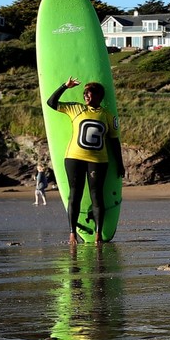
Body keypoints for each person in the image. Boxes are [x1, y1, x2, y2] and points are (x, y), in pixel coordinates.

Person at [46, 77, 124, 244]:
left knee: (97, 196)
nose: (86, 95)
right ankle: (72, 233)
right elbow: (51, 103)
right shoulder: (76, 108)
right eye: (84, 92)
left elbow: (114, 142)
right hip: (74, 158)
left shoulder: (108, 116)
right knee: (75, 195)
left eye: (89, 92)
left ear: (98, 96)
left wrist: (120, 163)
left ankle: (98, 235)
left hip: (98, 160)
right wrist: (64, 86)